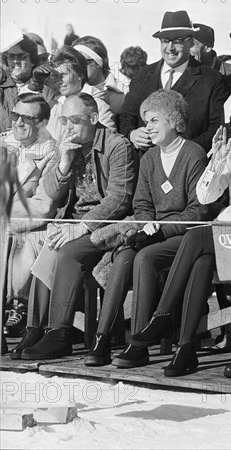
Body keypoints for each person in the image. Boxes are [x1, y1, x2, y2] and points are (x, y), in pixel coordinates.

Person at [113, 81, 231, 376]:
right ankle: (186, 348)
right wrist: (217, 159)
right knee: (201, 261)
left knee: (196, 236)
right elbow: (206, 196)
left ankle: (166, 317)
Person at [83, 90, 209, 366]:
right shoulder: (149, 158)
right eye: (145, 121)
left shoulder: (193, 154)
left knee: (144, 257)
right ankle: (103, 338)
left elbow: (198, 210)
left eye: (154, 120)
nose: (147, 127)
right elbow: (141, 204)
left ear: (175, 122)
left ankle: (139, 341)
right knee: (124, 256)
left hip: (183, 235)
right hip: (151, 230)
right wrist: (146, 222)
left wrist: (161, 228)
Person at [10, 93, 136, 360]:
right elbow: (53, 192)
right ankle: (35, 328)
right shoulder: (68, 144)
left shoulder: (117, 145)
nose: (67, 126)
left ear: (93, 118)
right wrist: (65, 163)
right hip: (72, 222)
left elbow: (120, 198)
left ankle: (60, 333)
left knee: (67, 251)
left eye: (74, 120)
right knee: (49, 247)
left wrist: (83, 226)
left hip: (108, 224)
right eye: (64, 120)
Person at [120, 10, 227, 153]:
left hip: (190, 168)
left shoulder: (211, 79)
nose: (170, 48)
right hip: (146, 166)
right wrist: (131, 134)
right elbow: (125, 116)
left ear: (190, 42)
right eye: (165, 41)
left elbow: (216, 127)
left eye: (177, 41)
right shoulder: (142, 76)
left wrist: (185, 153)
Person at [1, 94, 58, 339]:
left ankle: (18, 304)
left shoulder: (51, 152)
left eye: (28, 118)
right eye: (15, 116)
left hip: (32, 226)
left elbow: (44, 206)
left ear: (43, 123)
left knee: (18, 241)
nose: (19, 123)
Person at [46, 46, 116, 140]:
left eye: (64, 75)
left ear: (80, 75)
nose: (59, 81)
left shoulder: (99, 106)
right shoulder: (53, 106)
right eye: (56, 76)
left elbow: (109, 143)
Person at [1, 35, 56, 131]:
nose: (15, 61)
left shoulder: (44, 89)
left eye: (21, 56)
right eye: (11, 56)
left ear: (33, 61)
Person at [73, 36, 127, 116]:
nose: (78, 67)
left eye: (83, 62)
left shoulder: (124, 92)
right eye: (74, 63)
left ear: (100, 62)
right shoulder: (69, 90)